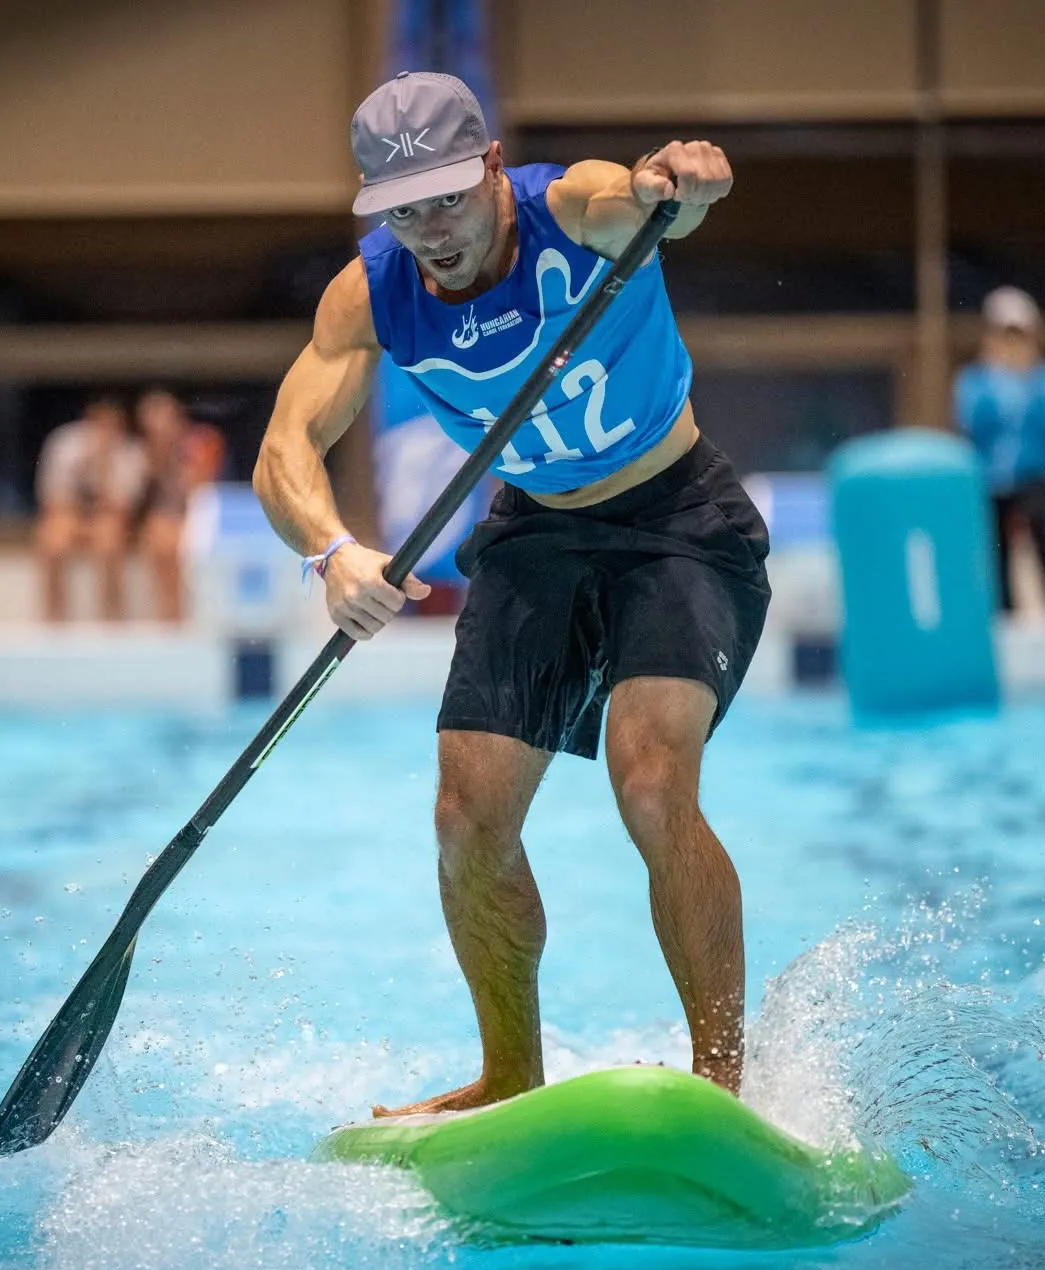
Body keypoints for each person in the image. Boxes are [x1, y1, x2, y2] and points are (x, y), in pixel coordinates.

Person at [253, 72, 761, 1116]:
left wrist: (686, 185)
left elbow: (636, 197)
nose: (428, 229)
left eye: (445, 196)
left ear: (489, 167)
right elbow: (283, 448)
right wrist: (332, 552)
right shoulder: (370, 295)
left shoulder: (563, 208)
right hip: (532, 531)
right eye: (401, 207)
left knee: (652, 780)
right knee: (463, 817)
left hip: (676, 521)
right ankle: (508, 1078)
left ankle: (723, 1091)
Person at [952, 287, 1045, 617]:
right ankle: (1004, 610)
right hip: (991, 479)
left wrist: (1028, 380)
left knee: (1043, 540)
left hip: (1036, 475)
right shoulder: (975, 380)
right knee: (997, 550)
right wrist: (995, 377)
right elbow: (969, 421)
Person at [34, 395, 146, 622]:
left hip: (108, 519)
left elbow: (123, 506)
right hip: (69, 514)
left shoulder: (131, 452)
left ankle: (112, 621)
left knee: (109, 542)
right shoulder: (64, 444)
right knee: (53, 541)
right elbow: (52, 498)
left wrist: (104, 466)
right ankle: (54, 622)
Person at [134, 388, 225, 623]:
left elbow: (199, 492)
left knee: (170, 536)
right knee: (158, 532)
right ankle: (169, 614)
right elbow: (140, 502)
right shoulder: (144, 451)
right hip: (167, 519)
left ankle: (182, 615)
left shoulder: (203, 440)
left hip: (208, 514)